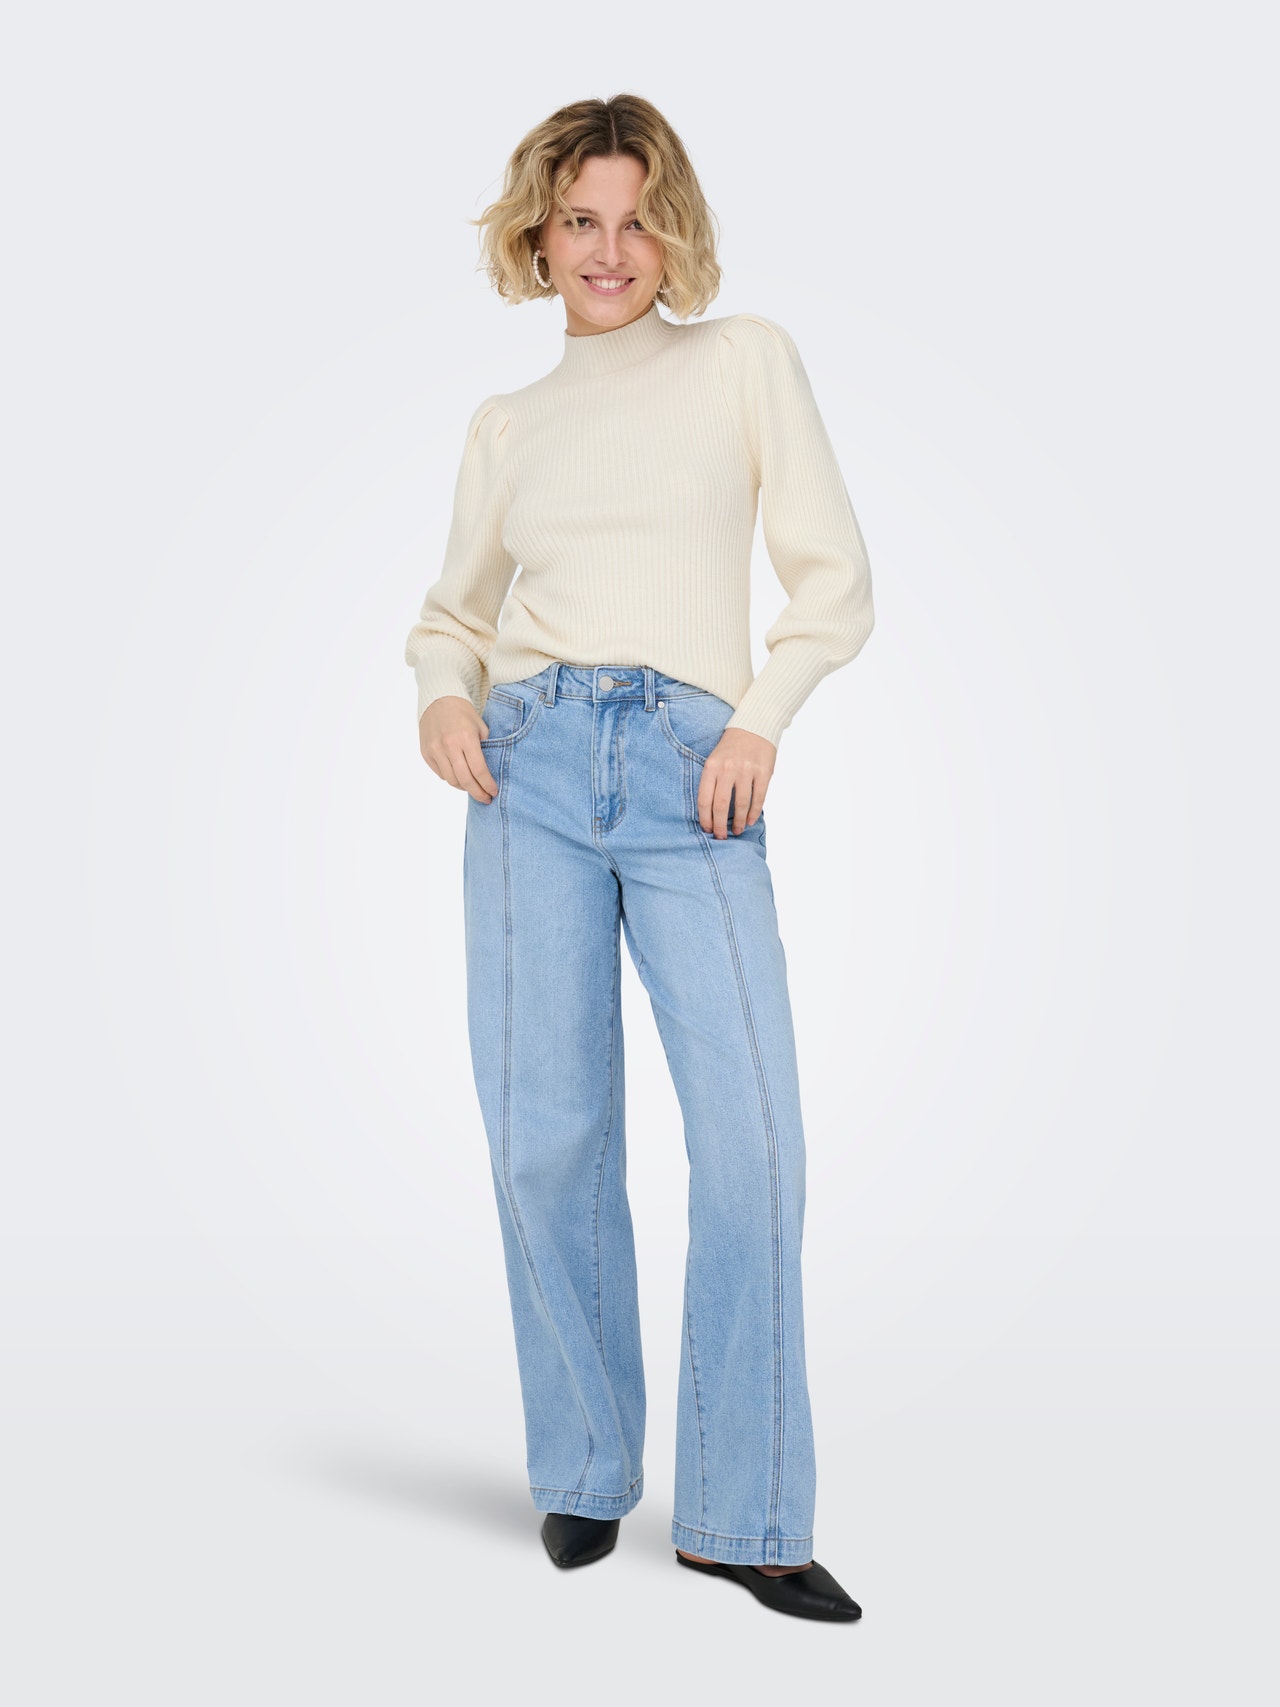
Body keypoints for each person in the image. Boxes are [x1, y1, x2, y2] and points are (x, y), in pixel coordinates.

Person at [404, 93, 874, 1623]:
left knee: (752, 1143)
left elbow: (834, 583)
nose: (609, 250)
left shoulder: (743, 361)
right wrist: (445, 698)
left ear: (673, 233)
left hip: (691, 771)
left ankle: (744, 1514)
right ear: (538, 239)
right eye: (580, 220)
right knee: (546, 1137)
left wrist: (758, 723)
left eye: (636, 219)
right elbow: (453, 614)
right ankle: (587, 1468)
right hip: (525, 770)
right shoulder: (507, 427)